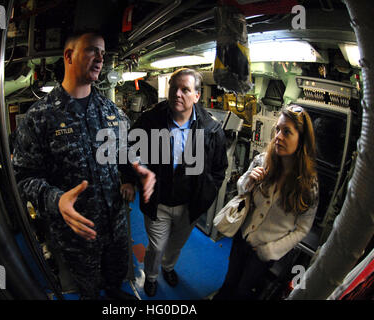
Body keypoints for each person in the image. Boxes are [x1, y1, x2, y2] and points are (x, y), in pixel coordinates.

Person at [12, 31, 155, 300]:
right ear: (68, 55)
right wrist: (55, 200)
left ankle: (113, 294)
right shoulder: (40, 117)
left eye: (102, 52)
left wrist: (136, 172)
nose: (100, 58)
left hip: (115, 223)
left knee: (115, 276)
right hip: (76, 230)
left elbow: (126, 153)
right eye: (92, 50)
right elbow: (24, 177)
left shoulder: (111, 111)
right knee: (87, 286)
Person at [121, 68, 228, 297]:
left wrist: (206, 195)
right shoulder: (151, 120)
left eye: (185, 90)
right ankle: (151, 276)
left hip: (189, 206)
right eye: (174, 88)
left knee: (175, 246)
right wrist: (130, 179)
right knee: (156, 246)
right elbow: (128, 147)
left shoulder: (210, 129)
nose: (177, 94)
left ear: (197, 96)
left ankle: (168, 268)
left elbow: (219, 168)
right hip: (158, 202)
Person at [213, 105, 319, 300]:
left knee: (242, 292)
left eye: (287, 132)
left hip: (263, 252)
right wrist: (250, 180)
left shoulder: (308, 186)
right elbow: (241, 188)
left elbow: (302, 229)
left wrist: (270, 251)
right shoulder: (263, 160)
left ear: (302, 141)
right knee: (229, 283)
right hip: (242, 238)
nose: (278, 136)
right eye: (278, 129)